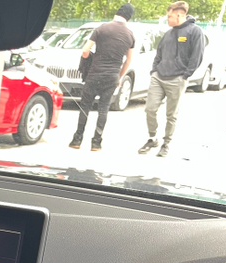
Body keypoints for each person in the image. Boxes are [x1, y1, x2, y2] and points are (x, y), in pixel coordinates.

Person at [138, 1, 205, 157]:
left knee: (171, 114)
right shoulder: (168, 33)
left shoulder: (195, 31)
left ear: (179, 15)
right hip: (159, 76)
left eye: (169, 16)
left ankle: (166, 143)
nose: (167, 19)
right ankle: (152, 138)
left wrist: (186, 75)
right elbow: (159, 53)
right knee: (150, 109)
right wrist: (154, 71)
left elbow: (197, 56)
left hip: (177, 78)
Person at [69, 4, 135, 152]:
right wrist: (119, 76)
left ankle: (77, 140)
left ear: (117, 13)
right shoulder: (130, 35)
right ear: (129, 17)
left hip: (95, 73)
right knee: (103, 108)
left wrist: (88, 62)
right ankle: (96, 143)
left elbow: (85, 51)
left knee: (85, 106)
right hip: (112, 76)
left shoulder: (102, 29)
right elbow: (128, 60)